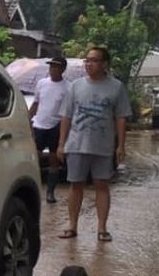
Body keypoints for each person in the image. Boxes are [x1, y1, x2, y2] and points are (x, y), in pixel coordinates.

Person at [56, 46, 131, 242]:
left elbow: (121, 118)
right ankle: (72, 225)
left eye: (94, 60)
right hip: (76, 144)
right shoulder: (76, 86)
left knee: (102, 186)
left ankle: (102, 228)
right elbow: (66, 116)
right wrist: (61, 144)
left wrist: (120, 145)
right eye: (87, 60)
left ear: (104, 64)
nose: (89, 64)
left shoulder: (116, 87)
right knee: (75, 185)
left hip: (103, 146)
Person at [28, 55, 69, 203]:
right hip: (39, 124)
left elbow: (67, 113)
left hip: (55, 126)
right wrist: (27, 118)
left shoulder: (67, 88)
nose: (52, 69)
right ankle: (33, 190)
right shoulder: (42, 83)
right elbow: (36, 103)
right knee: (34, 158)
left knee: (54, 161)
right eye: (51, 66)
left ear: (62, 69)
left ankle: (50, 192)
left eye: (56, 67)